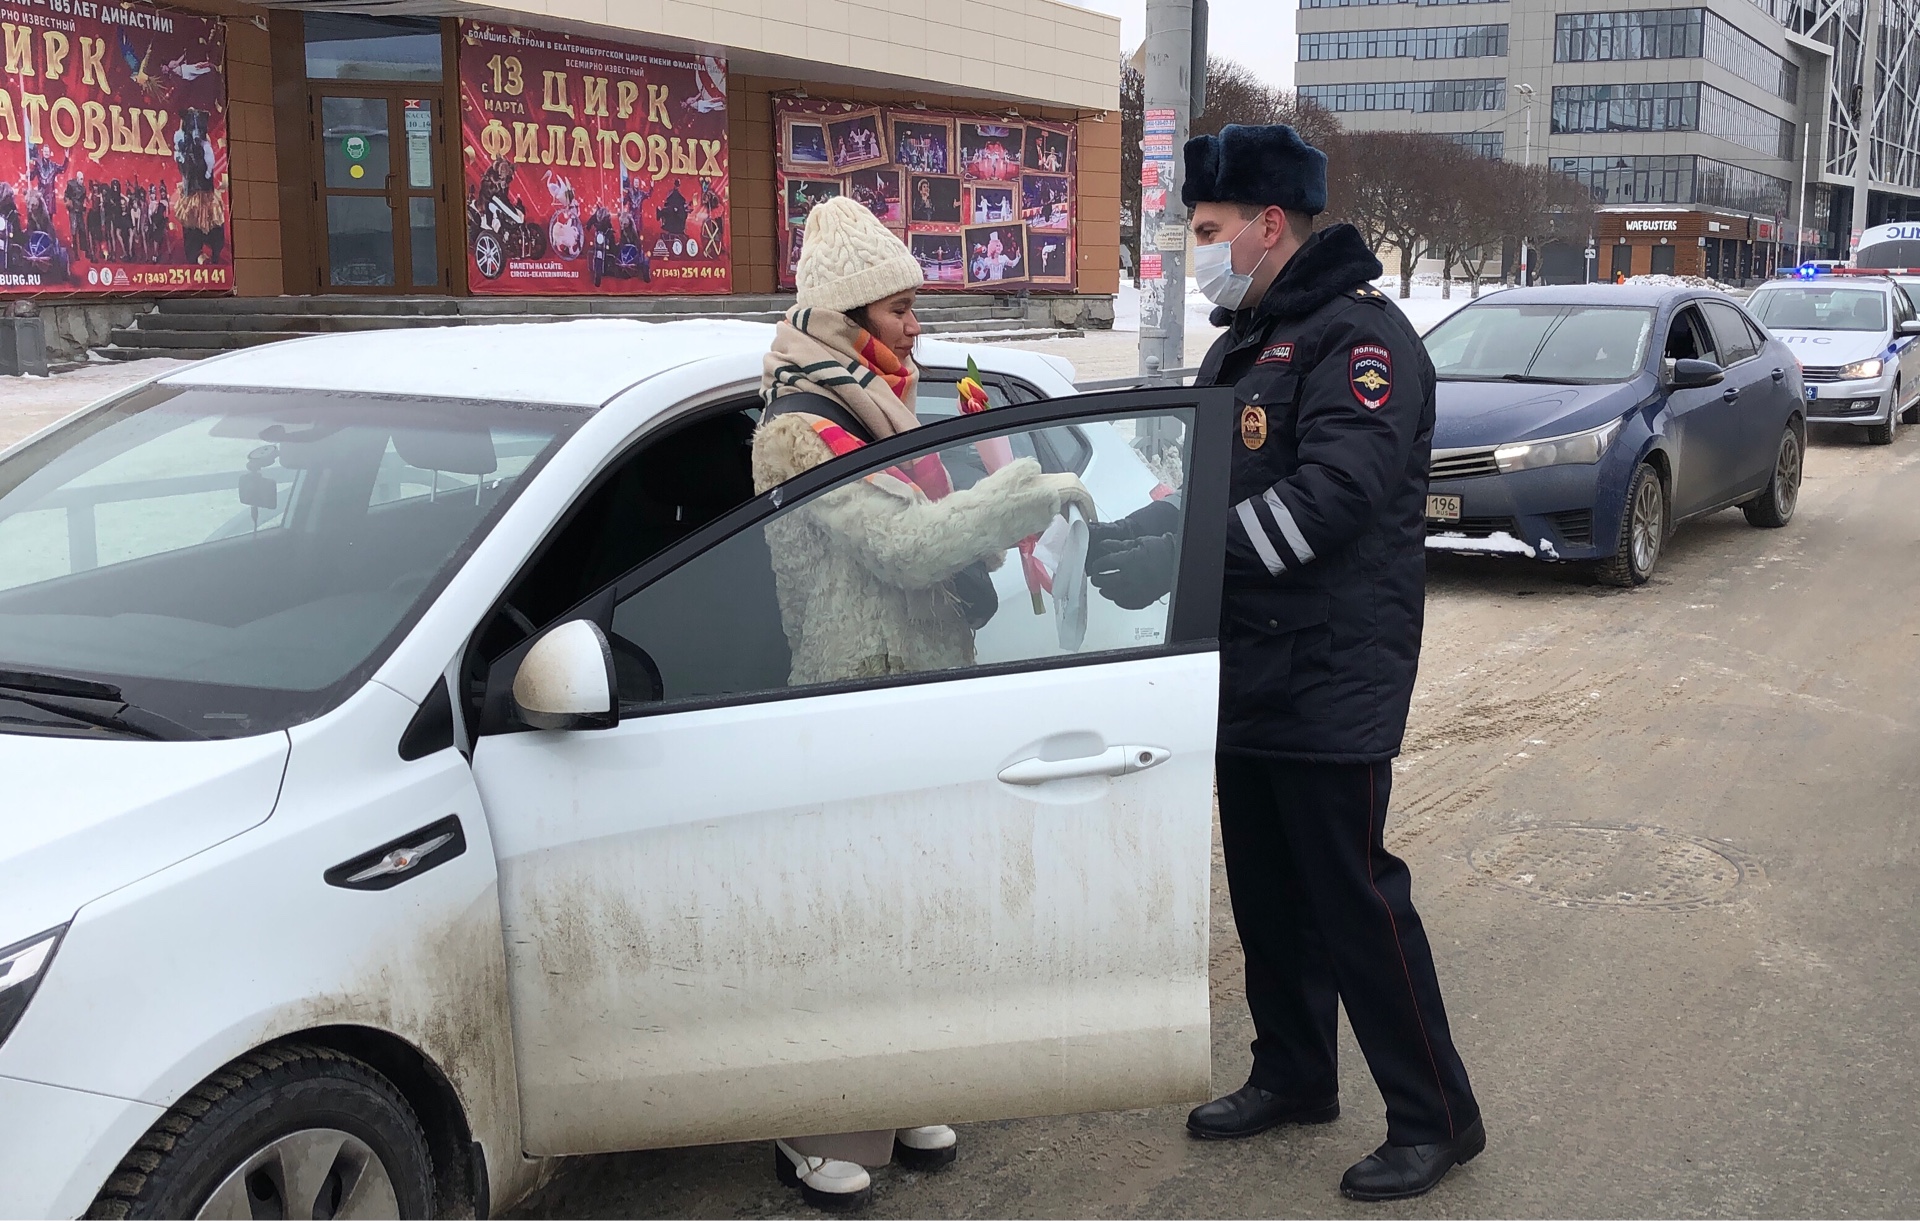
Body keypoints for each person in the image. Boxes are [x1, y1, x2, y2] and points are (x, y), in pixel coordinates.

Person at [1084, 123, 1484, 1202]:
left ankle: (1437, 1115)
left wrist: (1184, 547)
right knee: (1266, 894)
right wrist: (1145, 534)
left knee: (1353, 898)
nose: (1196, 249)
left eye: (1208, 230)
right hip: (1248, 668)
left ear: (1271, 223)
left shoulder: (1363, 344)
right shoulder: (1243, 342)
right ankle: (1296, 1074)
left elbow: (1328, 503)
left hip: (1331, 672)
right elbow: (1212, 483)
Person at [750, 195, 1095, 1207]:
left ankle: (899, 1088)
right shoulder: (801, 432)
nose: (916, 327)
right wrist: (1028, 495)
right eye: (901, 310)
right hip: (852, 690)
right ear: (851, 317)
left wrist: (999, 518)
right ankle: (809, 1126)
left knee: (911, 911)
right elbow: (901, 546)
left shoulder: (877, 405)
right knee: (843, 921)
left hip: (919, 682)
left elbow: (940, 527)